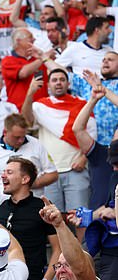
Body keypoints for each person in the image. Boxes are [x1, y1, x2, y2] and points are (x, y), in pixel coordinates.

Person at [21, 69, 93, 212]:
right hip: (48, 173)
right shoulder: (40, 106)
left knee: (79, 218)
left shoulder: (82, 105)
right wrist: (30, 94)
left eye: (62, 79)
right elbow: (26, 121)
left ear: (68, 84)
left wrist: (84, 158)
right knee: (52, 220)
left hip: (75, 169)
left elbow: (92, 135)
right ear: (48, 86)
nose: (58, 83)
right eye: (54, 80)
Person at [0, 157, 61, 280]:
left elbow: (58, 249)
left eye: (9, 172)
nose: (3, 175)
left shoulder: (42, 207)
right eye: (3, 172)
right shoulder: (2, 207)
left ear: (25, 179)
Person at [0, 113, 58, 210]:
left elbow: (53, 174)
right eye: (17, 137)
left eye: (23, 136)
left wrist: (29, 183)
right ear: (5, 132)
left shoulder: (36, 144)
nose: (21, 140)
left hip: (34, 207)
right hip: (5, 208)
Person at [1, 28, 50, 111]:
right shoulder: (8, 61)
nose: (34, 39)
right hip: (20, 112)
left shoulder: (37, 60)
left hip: (42, 110)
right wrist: (43, 58)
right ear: (19, 41)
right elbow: (23, 73)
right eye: (30, 37)